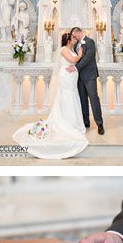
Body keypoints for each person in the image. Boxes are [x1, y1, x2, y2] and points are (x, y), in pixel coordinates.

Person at [11, 30, 90, 159]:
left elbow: (74, 61)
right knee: (67, 97)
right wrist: (80, 54)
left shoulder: (72, 48)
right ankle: (67, 123)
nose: (75, 39)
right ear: (68, 40)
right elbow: (73, 59)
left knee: (72, 97)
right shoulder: (64, 49)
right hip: (66, 77)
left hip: (72, 78)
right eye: (73, 38)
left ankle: (74, 123)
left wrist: (78, 53)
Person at [71, 26, 105, 134]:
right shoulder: (76, 44)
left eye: (74, 35)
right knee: (82, 100)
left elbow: (88, 57)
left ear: (79, 33)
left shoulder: (90, 42)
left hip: (90, 76)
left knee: (93, 98)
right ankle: (86, 122)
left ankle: (99, 124)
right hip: (79, 77)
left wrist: (76, 67)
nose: (74, 37)